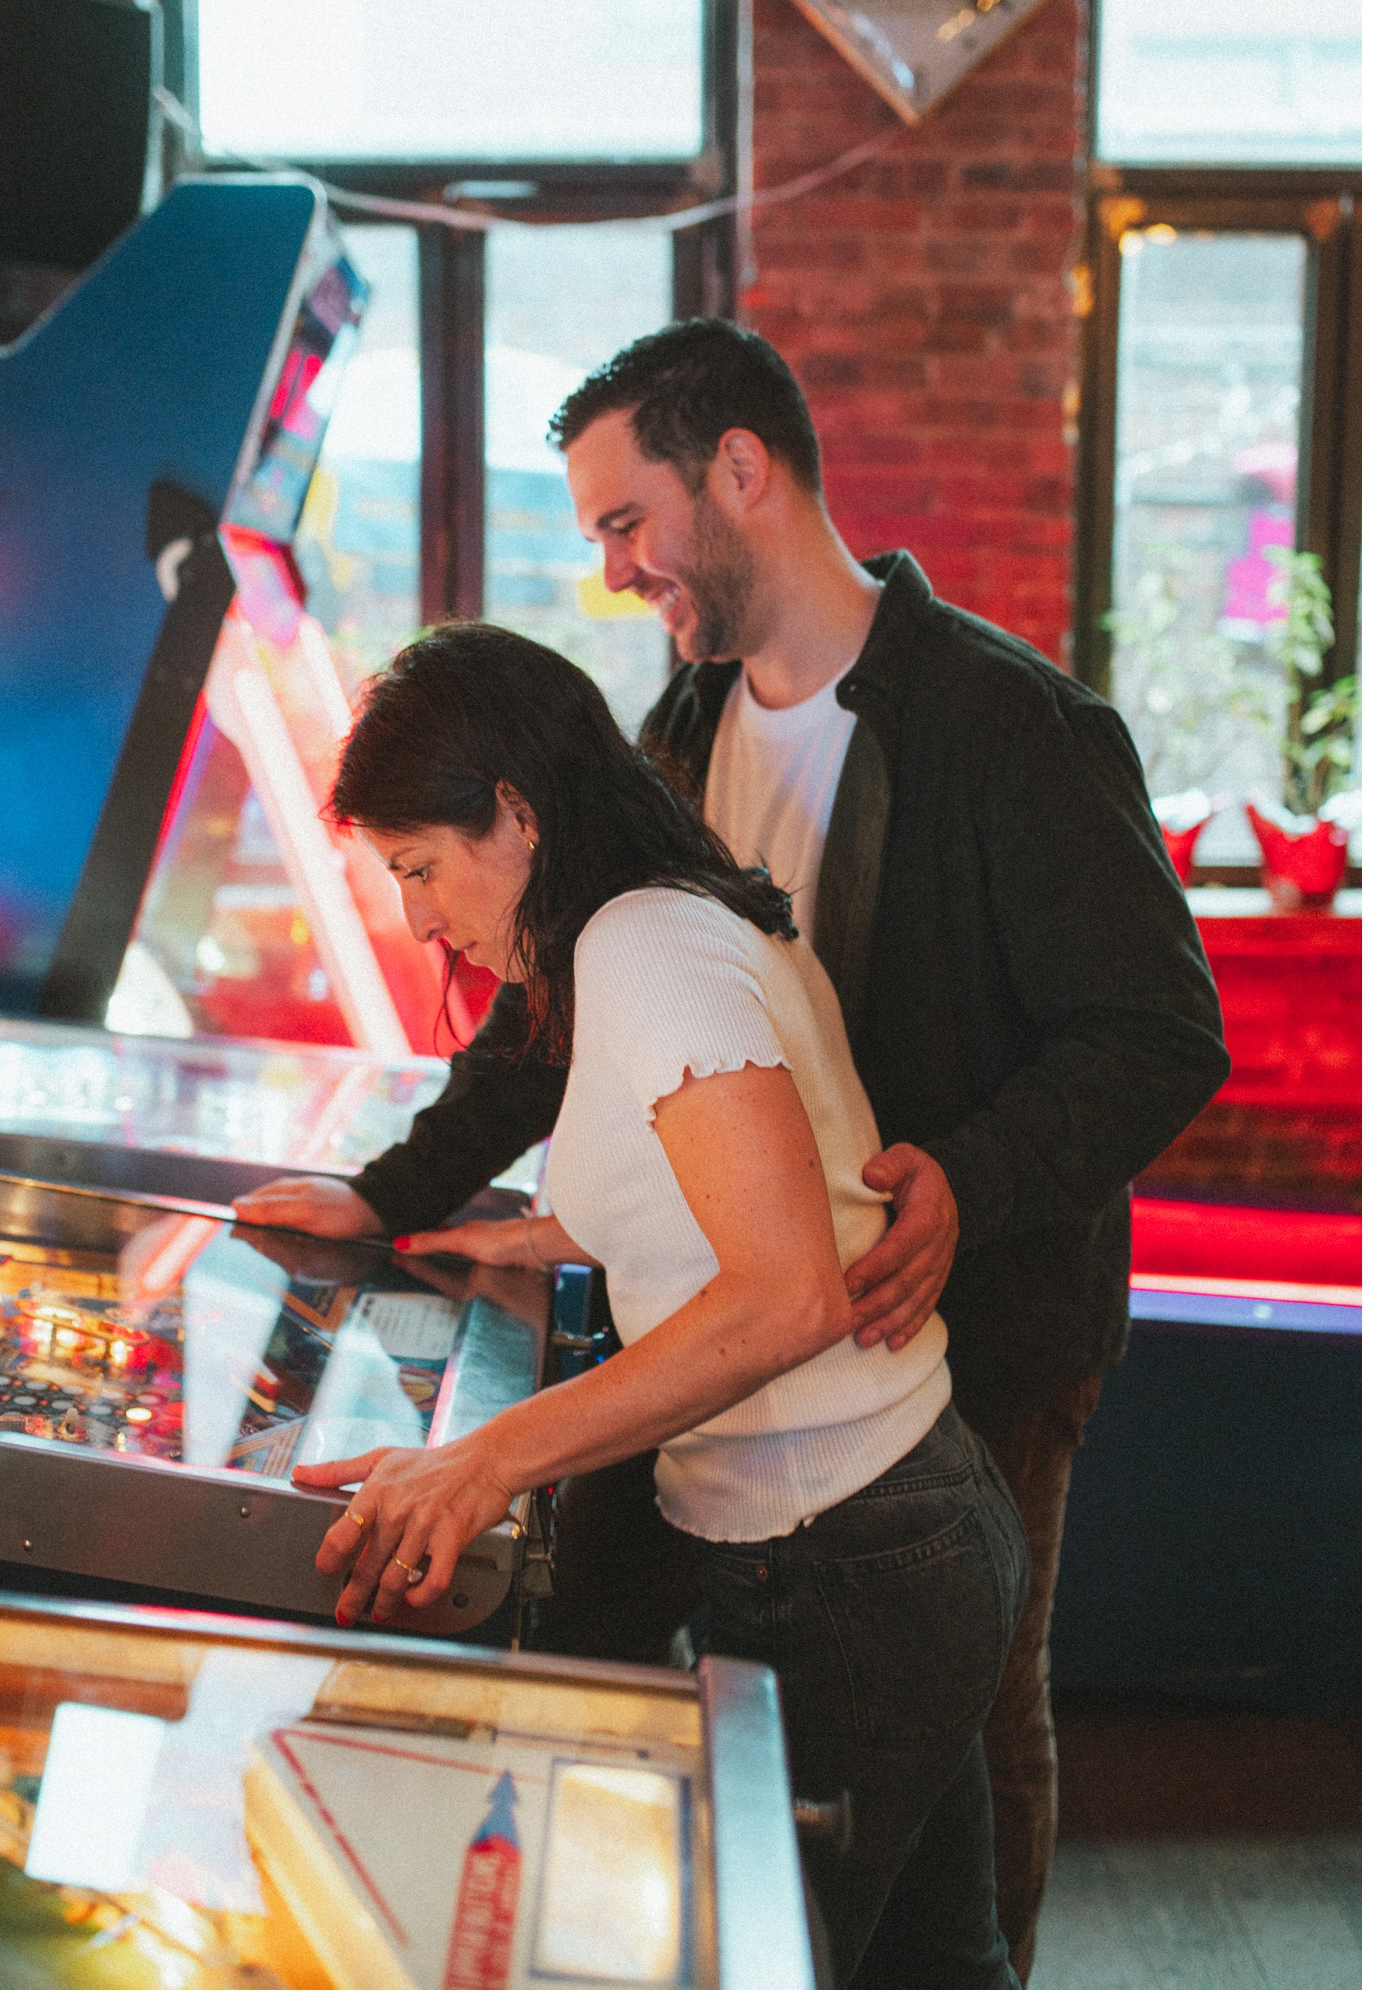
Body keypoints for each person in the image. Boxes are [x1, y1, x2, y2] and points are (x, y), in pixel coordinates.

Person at [237, 320, 1231, 1985]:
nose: (615, 568)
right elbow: (558, 998)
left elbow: (1160, 1030)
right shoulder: (690, 725)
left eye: (628, 522)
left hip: (969, 1325)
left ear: (743, 472)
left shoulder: (1008, 723)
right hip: (812, 1380)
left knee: (974, 1752)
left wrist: (969, 1176)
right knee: (908, 1891)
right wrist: (404, 1193)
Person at [279, 621, 1028, 1987]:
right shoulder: (656, 923)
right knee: (937, 1968)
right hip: (889, 1531)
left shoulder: (644, 944)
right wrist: (546, 1231)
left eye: (419, 867)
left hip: (850, 1555)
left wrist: (483, 1456)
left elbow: (789, 1288)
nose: (419, 914)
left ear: (513, 813)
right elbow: (741, 1193)